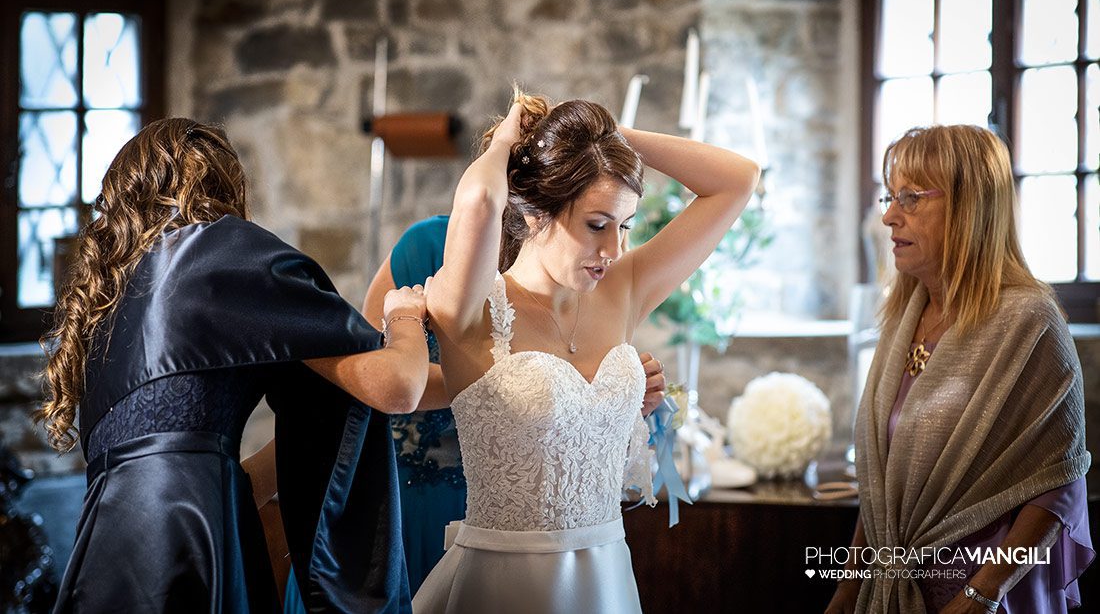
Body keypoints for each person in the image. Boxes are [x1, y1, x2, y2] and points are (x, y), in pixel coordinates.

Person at [39, 118, 430, 612]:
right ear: (220, 181)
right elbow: (399, 386)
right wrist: (404, 315)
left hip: (105, 541)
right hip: (189, 529)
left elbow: (190, 451)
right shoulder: (218, 251)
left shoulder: (103, 306)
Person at [414, 90, 759, 612]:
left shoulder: (623, 289)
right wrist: (508, 143)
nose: (614, 250)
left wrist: (608, 138)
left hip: (607, 579)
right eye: (597, 225)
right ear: (535, 214)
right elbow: (481, 201)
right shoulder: (470, 308)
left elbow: (737, 180)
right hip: (504, 583)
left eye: (625, 226)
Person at [282, 214, 669, 608]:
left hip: (522, 509)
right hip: (413, 492)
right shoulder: (431, 244)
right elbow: (372, 374)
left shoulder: (587, 257)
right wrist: (514, 386)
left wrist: (604, 396)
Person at [825, 125, 1093, 614]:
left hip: (984, 591)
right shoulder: (902, 318)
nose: (888, 216)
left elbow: (1058, 482)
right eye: (890, 197)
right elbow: (881, 486)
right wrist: (849, 585)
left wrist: (982, 593)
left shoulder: (1028, 320)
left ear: (970, 207)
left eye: (910, 198)